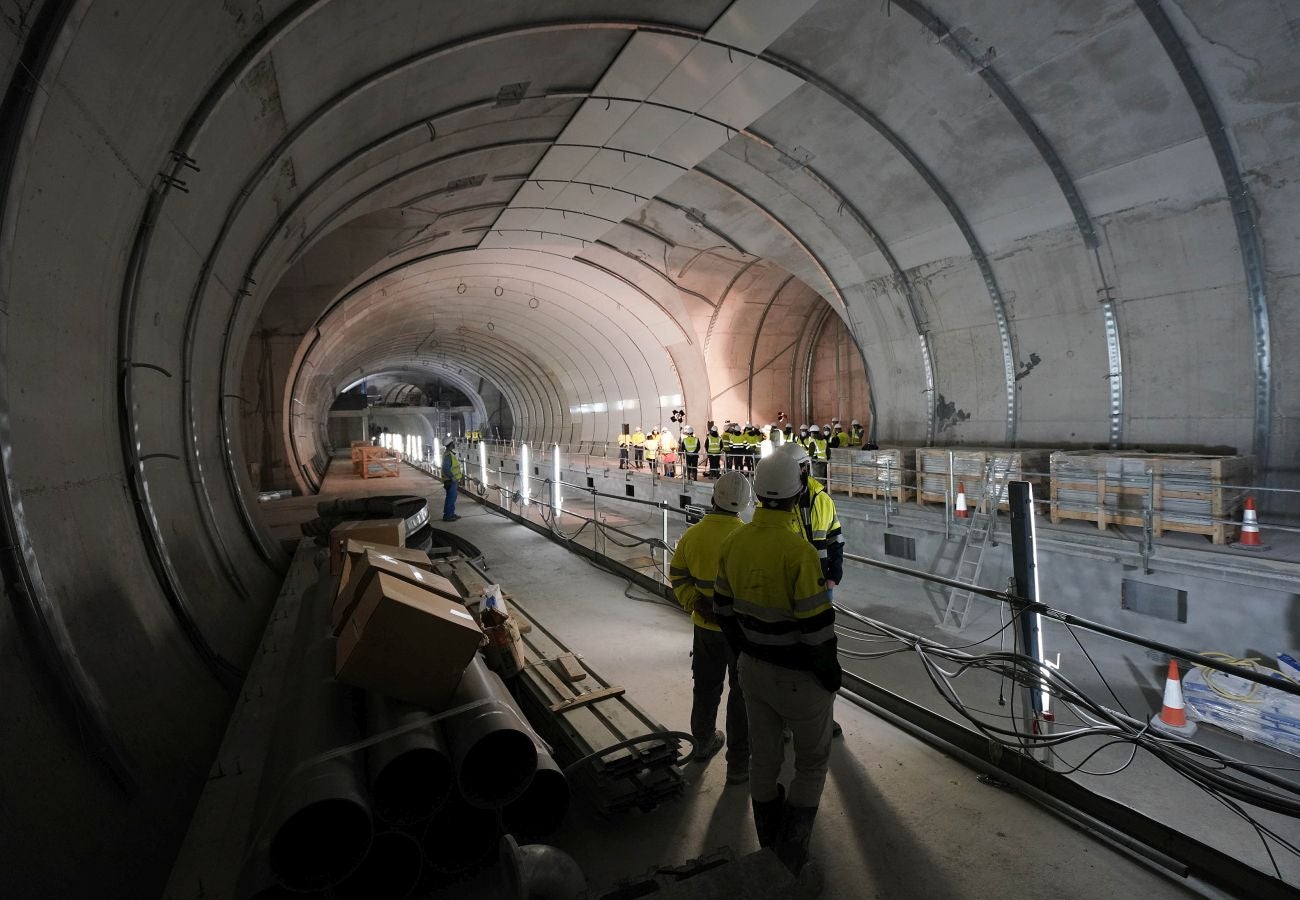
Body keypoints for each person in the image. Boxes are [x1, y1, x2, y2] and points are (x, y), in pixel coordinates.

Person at [714, 454, 839, 881]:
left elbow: (723, 610)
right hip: (796, 676)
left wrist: (744, 652)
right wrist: (828, 674)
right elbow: (818, 627)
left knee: (764, 761)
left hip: (752, 669)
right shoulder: (798, 552)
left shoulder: (734, 542)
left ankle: (769, 848)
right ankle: (792, 854)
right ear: (797, 493)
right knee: (810, 762)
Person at [669, 471, 754, 784]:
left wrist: (695, 601)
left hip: (705, 629)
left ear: (713, 497)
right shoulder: (746, 539)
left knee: (705, 686)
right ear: (744, 504)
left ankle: (703, 742)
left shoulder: (694, 536)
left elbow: (677, 575)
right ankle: (738, 765)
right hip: (740, 634)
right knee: (741, 693)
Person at [441, 441, 463, 521]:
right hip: (450, 480)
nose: (454, 444)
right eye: (453, 443)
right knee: (450, 498)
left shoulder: (449, 454)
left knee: (452, 497)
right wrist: (453, 478)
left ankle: (451, 513)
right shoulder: (448, 455)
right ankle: (447, 516)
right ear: (450, 444)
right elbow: (446, 468)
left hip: (453, 480)